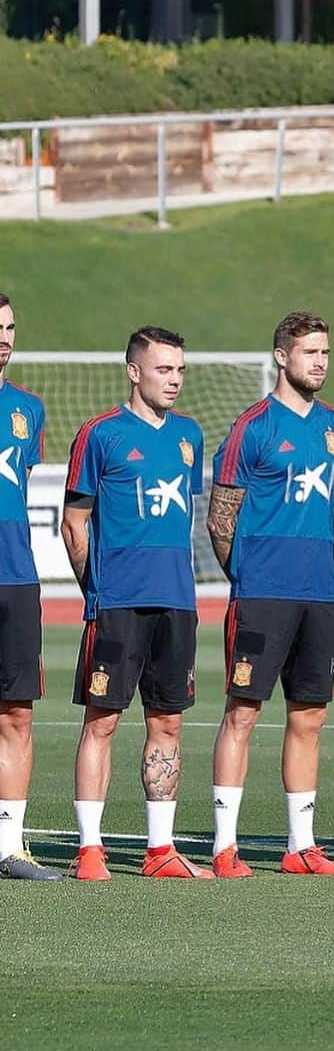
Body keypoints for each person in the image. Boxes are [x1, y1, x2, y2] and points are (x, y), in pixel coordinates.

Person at [206, 311, 334, 877]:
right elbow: (222, 520)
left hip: (321, 592)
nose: (319, 361)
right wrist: (247, 577)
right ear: (281, 357)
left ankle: (300, 845)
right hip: (263, 593)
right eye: (309, 352)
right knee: (242, 713)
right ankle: (224, 846)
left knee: (308, 716)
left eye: (325, 352)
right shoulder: (253, 427)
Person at [63, 326, 210, 880]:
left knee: (166, 725)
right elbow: (73, 523)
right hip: (118, 603)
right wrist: (96, 592)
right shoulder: (99, 435)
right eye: (162, 369)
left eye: (179, 370)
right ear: (133, 371)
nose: (173, 380)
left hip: (176, 601)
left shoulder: (189, 436)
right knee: (102, 722)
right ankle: (90, 850)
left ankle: (159, 850)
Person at [0, 293, 58, 881]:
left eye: (10, 327)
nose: (4, 337)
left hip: (16, 578)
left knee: (17, 714)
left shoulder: (28, 410)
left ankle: (9, 846)